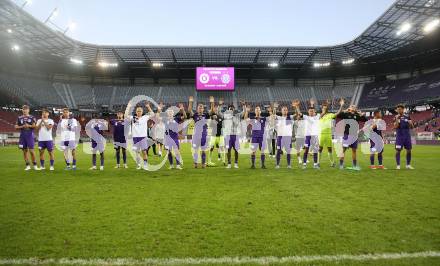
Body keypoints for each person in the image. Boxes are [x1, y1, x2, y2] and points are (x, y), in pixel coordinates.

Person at [336, 104, 367, 170]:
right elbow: (338, 115)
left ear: (355, 108)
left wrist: (362, 115)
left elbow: (365, 120)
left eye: (354, 106)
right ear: (349, 108)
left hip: (354, 135)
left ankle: (354, 165)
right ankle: (341, 165)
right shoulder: (346, 114)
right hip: (346, 135)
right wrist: (345, 110)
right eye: (351, 106)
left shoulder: (357, 115)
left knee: (354, 151)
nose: (353, 107)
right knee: (343, 150)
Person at [217, 99, 246, 169]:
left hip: (236, 134)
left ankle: (236, 163)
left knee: (236, 150)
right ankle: (229, 163)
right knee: (228, 149)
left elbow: (244, 112)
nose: (231, 109)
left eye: (232, 108)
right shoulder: (225, 115)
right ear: (228, 109)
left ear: (234, 109)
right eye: (230, 108)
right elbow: (218, 112)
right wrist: (220, 105)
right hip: (228, 135)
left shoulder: (238, 115)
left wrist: (244, 105)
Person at [293, 99, 321, 169]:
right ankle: (304, 164)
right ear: (308, 112)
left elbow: (321, 113)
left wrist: (312, 105)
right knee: (306, 150)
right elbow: (299, 113)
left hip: (314, 136)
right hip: (308, 136)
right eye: (310, 111)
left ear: (314, 111)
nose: (311, 112)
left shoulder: (317, 116)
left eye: (312, 111)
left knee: (315, 150)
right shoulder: (306, 117)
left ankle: (315, 164)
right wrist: (297, 106)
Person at [126, 102, 154, 170]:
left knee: (144, 152)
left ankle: (145, 164)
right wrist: (128, 107)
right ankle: (138, 164)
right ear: (136, 112)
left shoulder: (145, 117)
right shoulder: (133, 118)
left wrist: (148, 107)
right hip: (135, 138)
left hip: (143, 137)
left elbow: (152, 114)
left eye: (140, 111)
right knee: (137, 153)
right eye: (138, 111)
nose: (139, 112)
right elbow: (126, 115)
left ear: (142, 112)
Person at [318, 99, 344, 167]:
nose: (324, 107)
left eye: (325, 106)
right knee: (320, 149)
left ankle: (332, 163)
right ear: (322, 108)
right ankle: (318, 163)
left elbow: (338, 112)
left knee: (329, 149)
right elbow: (320, 116)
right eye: (323, 106)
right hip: (321, 134)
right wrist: (323, 110)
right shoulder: (320, 115)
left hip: (328, 134)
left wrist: (341, 105)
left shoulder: (330, 115)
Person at [188, 96, 212, 168]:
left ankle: (203, 163)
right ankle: (195, 163)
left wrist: (212, 103)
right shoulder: (195, 115)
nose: (200, 109)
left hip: (204, 135)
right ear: (197, 109)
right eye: (199, 108)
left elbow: (212, 111)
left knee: (203, 150)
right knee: (195, 150)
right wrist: (190, 102)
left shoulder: (206, 115)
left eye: (201, 108)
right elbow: (189, 110)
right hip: (196, 135)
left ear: (203, 109)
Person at [15, 105, 39, 171]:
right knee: (25, 151)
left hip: (30, 135)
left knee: (31, 151)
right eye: (23, 109)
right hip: (22, 135)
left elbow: (35, 126)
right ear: (22, 110)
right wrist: (22, 126)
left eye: (26, 109)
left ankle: (35, 165)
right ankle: (27, 165)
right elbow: (16, 127)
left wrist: (29, 125)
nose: (25, 110)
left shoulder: (32, 117)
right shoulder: (19, 118)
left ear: (28, 110)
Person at [162, 103, 186, 170]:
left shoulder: (177, 119)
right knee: (169, 152)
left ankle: (178, 165)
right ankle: (171, 165)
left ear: (173, 113)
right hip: (168, 138)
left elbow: (185, 117)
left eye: (171, 112)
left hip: (175, 138)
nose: (170, 113)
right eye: (169, 112)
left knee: (176, 152)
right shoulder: (165, 119)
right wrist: (160, 109)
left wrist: (183, 110)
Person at [273, 103, 295, 169]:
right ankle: (277, 165)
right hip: (280, 137)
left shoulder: (290, 117)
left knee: (288, 151)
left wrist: (296, 107)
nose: (285, 111)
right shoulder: (279, 118)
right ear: (281, 111)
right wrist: (274, 108)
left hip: (288, 137)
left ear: (287, 111)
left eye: (286, 110)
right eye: (283, 110)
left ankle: (289, 165)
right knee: (279, 150)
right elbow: (274, 115)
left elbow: (297, 114)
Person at [394, 104, 415, 170]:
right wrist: (397, 119)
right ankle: (398, 165)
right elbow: (395, 127)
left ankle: (408, 165)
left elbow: (412, 127)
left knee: (409, 150)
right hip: (399, 137)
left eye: (400, 109)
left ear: (403, 109)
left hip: (407, 136)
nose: (398, 110)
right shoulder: (396, 117)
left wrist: (411, 123)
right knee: (398, 151)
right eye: (398, 109)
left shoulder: (407, 116)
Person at [208, 102, 225, 166]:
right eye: (215, 108)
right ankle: (209, 161)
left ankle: (223, 161)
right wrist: (213, 120)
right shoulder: (212, 117)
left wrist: (216, 121)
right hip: (213, 135)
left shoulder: (221, 116)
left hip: (220, 135)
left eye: (217, 108)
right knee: (211, 148)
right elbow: (210, 125)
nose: (216, 109)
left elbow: (222, 125)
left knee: (222, 148)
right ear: (213, 109)